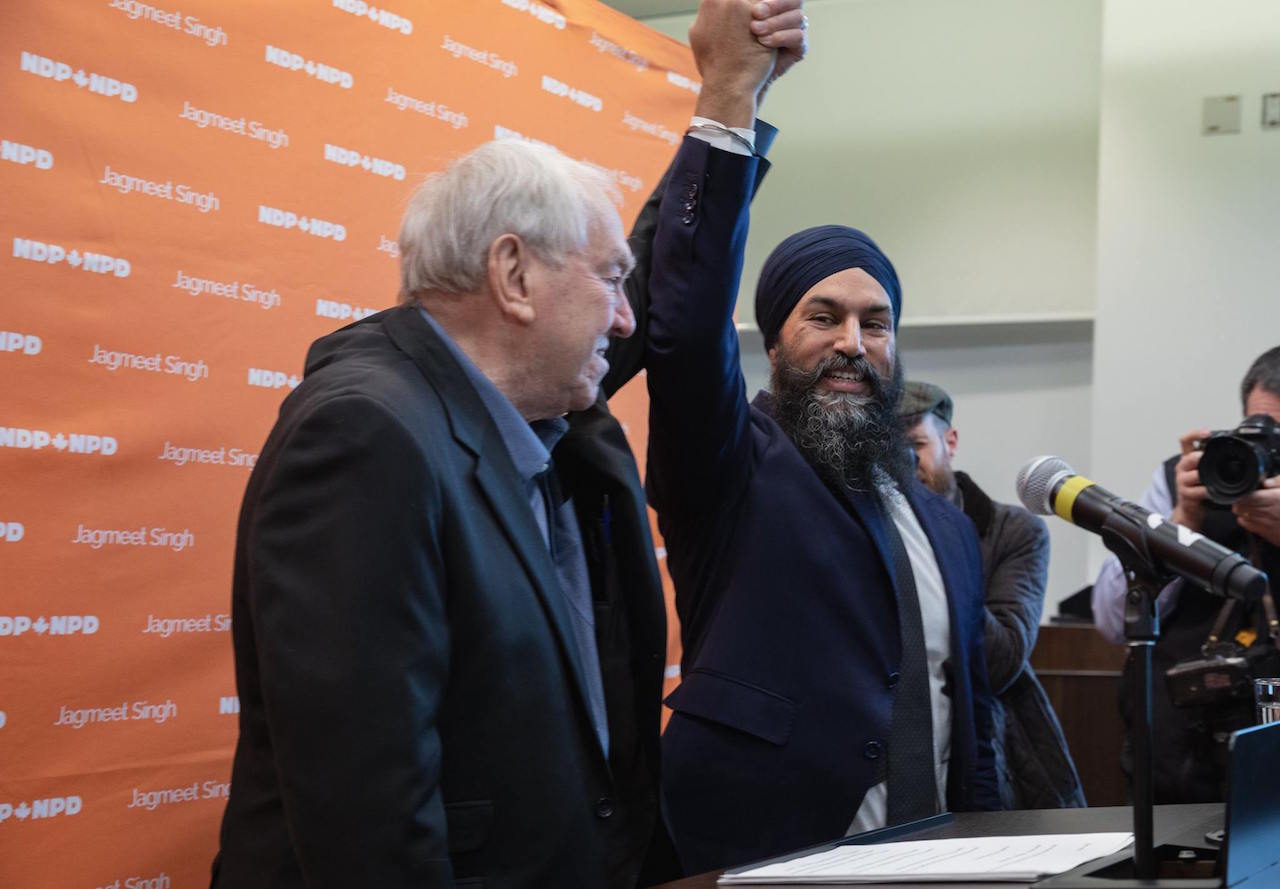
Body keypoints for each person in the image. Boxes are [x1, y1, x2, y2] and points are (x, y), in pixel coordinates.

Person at [208, 1, 807, 886]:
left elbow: (667, 284)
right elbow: (373, 827)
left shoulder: (525, 403)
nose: (626, 316)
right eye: (608, 281)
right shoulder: (364, 436)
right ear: (514, 275)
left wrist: (728, 99)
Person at [643, 98, 999, 873]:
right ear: (773, 340)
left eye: (875, 323)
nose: (852, 343)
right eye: (823, 317)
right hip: (759, 861)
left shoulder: (947, 529)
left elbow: (972, 722)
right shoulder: (732, 468)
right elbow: (683, 329)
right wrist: (732, 109)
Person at [1092, 346, 1280, 803]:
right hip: (1182, 762)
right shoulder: (1188, 479)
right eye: (1265, 433)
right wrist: (1181, 523)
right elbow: (1113, 621)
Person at [901, 380, 1085, 810]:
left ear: (951, 440)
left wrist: (934, 551)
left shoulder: (1013, 530)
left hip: (994, 751)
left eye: (915, 446)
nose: (906, 465)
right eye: (890, 453)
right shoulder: (872, 530)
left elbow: (1002, 660)